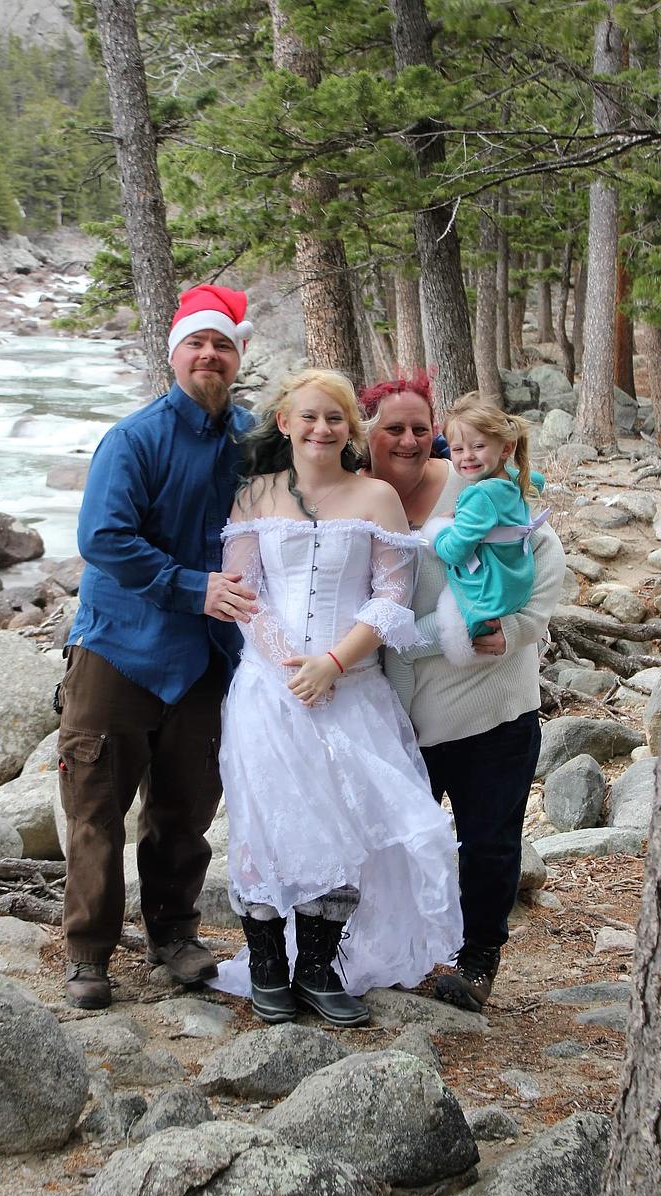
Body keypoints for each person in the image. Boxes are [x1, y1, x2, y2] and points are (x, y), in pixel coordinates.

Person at [212, 368, 462, 1028]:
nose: (322, 428)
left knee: (346, 824)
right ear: (285, 422)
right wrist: (289, 668)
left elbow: (391, 596)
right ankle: (268, 966)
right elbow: (242, 593)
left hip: (352, 687)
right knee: (267, 821)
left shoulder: (376, 497)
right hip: (269, 690)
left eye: (335, 418)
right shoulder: (255, 496)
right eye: (310, 416)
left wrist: (332, 663)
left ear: (351, 428)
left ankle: (320, 968)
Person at [56, 284, 258, 1010]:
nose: (209, 355)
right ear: (174, 354)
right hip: (121, 648)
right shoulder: (134, 439)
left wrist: (440, 454)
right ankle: (88, 953)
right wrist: (191, 587)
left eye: (222, 344)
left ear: (237, 358)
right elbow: (103, 538)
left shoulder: (253, 439)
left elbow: (329, 458)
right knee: (96, 805)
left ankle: (173, 936)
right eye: (196, 343)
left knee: (186, 808)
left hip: (208, 655)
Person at [362, 374, 565, 1013]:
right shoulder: (353, 497)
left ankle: (478, 958)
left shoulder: (477, 486)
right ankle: (397, 948)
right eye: (393, 428)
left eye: (420, 429)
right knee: (393, 842)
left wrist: (517, 630)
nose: (408, 440)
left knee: (488, 843)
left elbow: (538, 551)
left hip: (490, 705)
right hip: (394, 713)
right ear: (366, 433)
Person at [428, 394, 550, 667]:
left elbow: (456, 552)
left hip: (484, 603)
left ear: (506, 448)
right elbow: (538, 480)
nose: (467, 456)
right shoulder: (515, 480)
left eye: (478, 446)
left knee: (403, 651)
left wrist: (438, 531)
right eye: (457, 449)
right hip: (511, 591)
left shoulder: (479, 495)